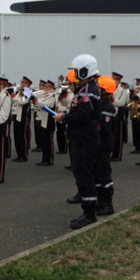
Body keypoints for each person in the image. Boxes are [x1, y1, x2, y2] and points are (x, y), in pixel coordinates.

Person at [53, 54, 101, 229]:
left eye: (76, 70)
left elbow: (82, 115)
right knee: (82, 174)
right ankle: (87, 209)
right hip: (82, 138)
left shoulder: (87, 90)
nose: (74, 74)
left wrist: (64, 117)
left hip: (84, 139)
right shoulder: (86, 89)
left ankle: (89, 214)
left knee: (85, 175)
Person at [95, 76, 117, 216]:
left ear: (104, 90)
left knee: (104, 175)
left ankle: (108, 204)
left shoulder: (108, 107)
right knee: (97, 175)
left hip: (104, 145)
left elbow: (104, 127)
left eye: (99, 87)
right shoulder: (100, 104)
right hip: (97, 144)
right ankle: (100, 201)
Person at [31, 80, 57, 166]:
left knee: (48, 142)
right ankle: (44, 159)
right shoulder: (43, 96)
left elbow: (43, 105)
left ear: (52, 88)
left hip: (48, 121)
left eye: (47, 87)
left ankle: (49, 159)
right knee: (43, 141)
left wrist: (35, 100)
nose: (45, 88)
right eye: (45, 86)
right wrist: (34, 100)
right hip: (41, 120)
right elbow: (36, 105)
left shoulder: (52, 97)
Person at [110, 72, 128, 162]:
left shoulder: (122, 90)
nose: (112, 81)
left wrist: (112, 99)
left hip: (118, 114)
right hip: (110, 114)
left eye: (114, 79)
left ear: (118, 81)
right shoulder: (110, 89)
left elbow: (121, 103)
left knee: (118, 136)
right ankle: (112, 152)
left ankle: (118, 155)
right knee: (111, 135)